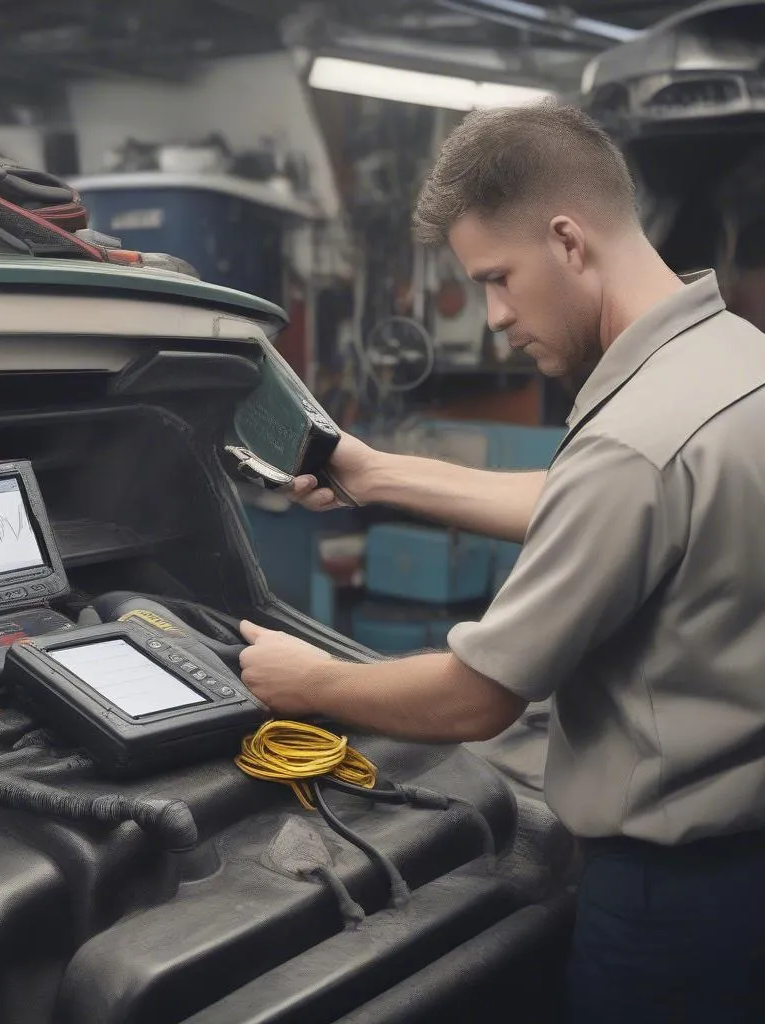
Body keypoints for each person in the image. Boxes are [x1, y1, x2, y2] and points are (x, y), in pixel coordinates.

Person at [236, 100, 765, 1023]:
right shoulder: (732, 361)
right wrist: (376, 472)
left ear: (567, 240)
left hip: (667, 906)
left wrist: (308, 680)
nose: (492, 318)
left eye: (498, 279)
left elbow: (478, 698)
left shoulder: (632, 441)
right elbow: (594, 515)